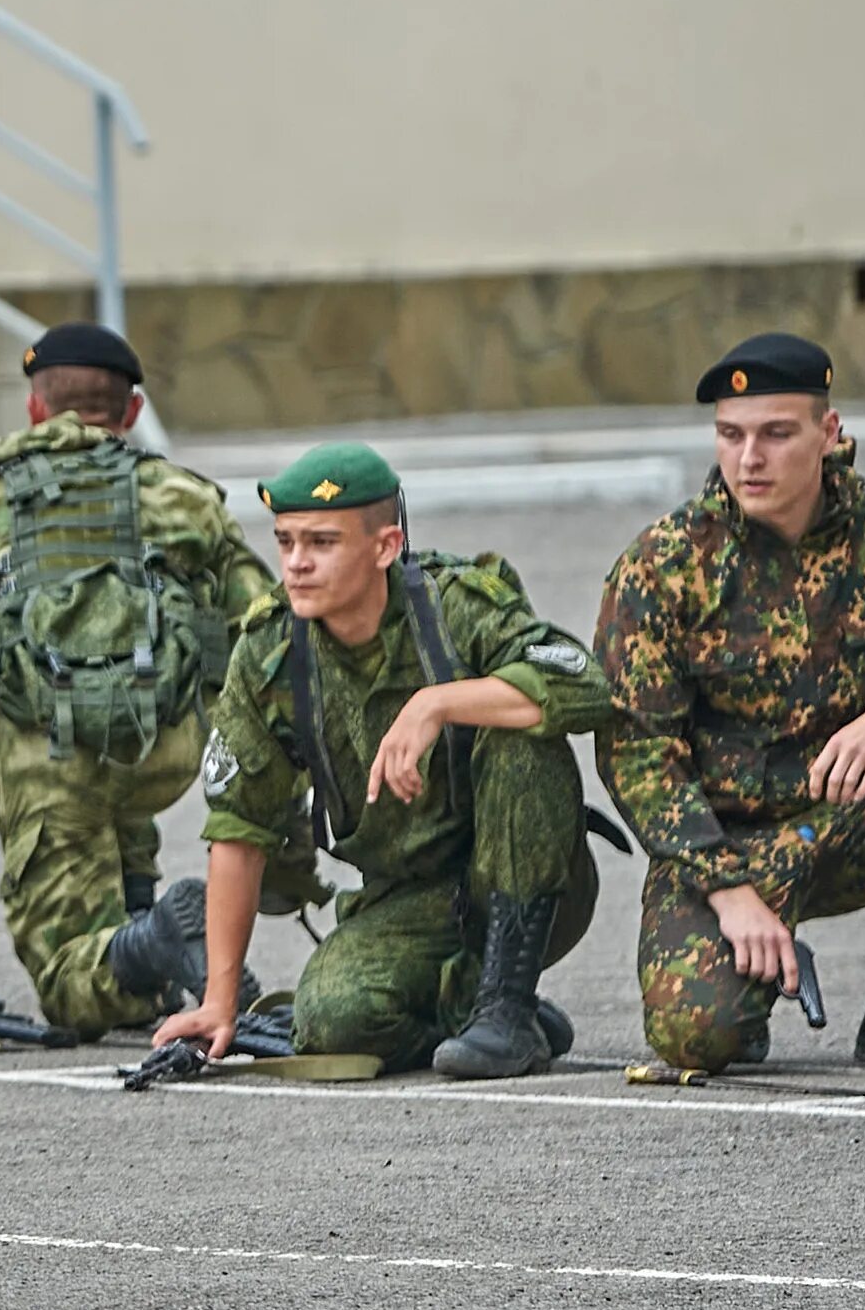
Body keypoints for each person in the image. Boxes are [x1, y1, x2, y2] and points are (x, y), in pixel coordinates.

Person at [599, 333, 865, 1075]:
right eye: (731, 434)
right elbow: (637, 753)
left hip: (858, 814)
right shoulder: (663, 565)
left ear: (829, 433)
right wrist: (726, 888)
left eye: (775, 433)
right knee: (699, 1035)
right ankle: (745, 984)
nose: (748, 457)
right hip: (727, 845)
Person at [152, 443, 612, 1077]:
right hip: (407, 901)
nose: (296, 564)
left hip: (531, 881)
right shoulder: (272, 653)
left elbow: (587, 686)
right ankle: (487, 1011)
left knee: (520, 732)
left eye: (321, 543)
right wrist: (219, 1003)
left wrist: (438, 704)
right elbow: (239, 826)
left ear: (386, 546)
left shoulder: (454, 608)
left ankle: (506, 1008)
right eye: (285, 542)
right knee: (329, 1022)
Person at [0, 324, 276, 1035]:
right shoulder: (183, 496)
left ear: (35, 409)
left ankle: (152, 943)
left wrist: (4, 764)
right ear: (132, 412)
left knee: (69, 989)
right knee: (115, 761)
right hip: (165, 750)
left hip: (47, 756)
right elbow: (265, 627)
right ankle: (148, 922)